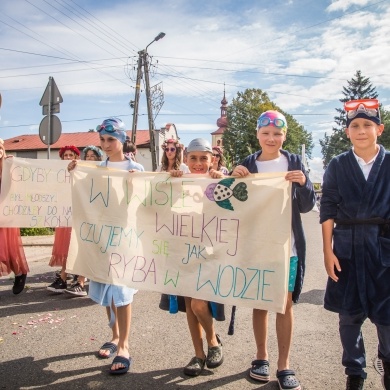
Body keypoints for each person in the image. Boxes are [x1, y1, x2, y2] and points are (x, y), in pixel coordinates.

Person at [232, 110, 315, 390]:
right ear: (257, 135)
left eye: (277, 133)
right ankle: (261, 357)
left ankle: (284, 364)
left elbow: (306, 206)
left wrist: (303, 183)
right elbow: (235, 205)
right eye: (266, 133)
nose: (271, 138)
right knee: (260, 302)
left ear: (285, 135)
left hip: (287, 247)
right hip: (257, 246)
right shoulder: (248, 163)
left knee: (284, 303)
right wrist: (235, 179)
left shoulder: (293, 161)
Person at [320, 99, 390, 390]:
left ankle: (388, 363)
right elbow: (328, 207)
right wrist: (327, 250)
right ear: (347, 132)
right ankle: (355, 371)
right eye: (355, 126)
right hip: (346, 248)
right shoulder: (338, 164)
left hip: (383, 248)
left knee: (387, 318)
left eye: (367, 125)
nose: (361, 130)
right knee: (349, 317)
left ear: (379, 129)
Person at [68, 117, 144, 375]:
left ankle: (124, 345)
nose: (107, 144)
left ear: (122, 140)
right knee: (105, 290)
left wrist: (137, 185)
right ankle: (113, 336)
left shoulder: (137, 168)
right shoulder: (97, 169)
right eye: (102, 140)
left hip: (125, 239)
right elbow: (86, 198)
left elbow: (146, 204)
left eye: (111, 139)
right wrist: (74, 173)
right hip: (101, 239)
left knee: (121, 294)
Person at [167, 138, 226, 377]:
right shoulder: (178, 181)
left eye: (204, 158)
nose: (199, 163)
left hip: (210, 252)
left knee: (199, 304)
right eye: (193, 158)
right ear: (185, 160)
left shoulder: (220, 181)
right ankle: (198, 354)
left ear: (212, 160)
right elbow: (161, 209)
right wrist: (166, 184)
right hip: (184, 251)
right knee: (189, 306)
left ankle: (213, 341)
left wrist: (225, 182)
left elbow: (234, 212)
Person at [64, 145, 103, 297]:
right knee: (84, 249)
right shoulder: (82, 174)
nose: (90, 159)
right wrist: (72, 171)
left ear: (98, 158)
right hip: (86, 218)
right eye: (87, 156)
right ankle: (80, 282)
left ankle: (97, 283)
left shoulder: (104, 171)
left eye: (93, 156)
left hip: (101, 218)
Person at [47, 145, 81, 293]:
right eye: (65, 155)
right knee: (67, 247)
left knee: (77, 246)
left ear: (76, 157)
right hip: (63, 215)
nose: (68, 158)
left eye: (70, 155)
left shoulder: (81, 171)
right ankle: (63, 278)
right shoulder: (57, 173)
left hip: (78, 215)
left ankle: (76, 279)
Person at [0, 139, 29, 294]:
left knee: (8, 250)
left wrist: (10, 166)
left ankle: (20, 272)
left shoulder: (8, 166)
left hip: (5, 214)